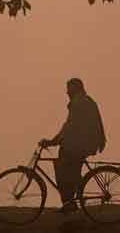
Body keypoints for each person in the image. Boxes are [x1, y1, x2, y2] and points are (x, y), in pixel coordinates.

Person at [40, 77, 106, 213]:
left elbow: (70, 126)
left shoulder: (79, 103)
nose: (66, 92)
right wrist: (56, 141)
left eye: (68, 88)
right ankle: (71, 200)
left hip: (82, 143)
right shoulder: (84, 101)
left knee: (63, 166)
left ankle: (71, 201)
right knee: (69, 168)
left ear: (75, 89)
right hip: (84, 142)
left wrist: (53, 141)